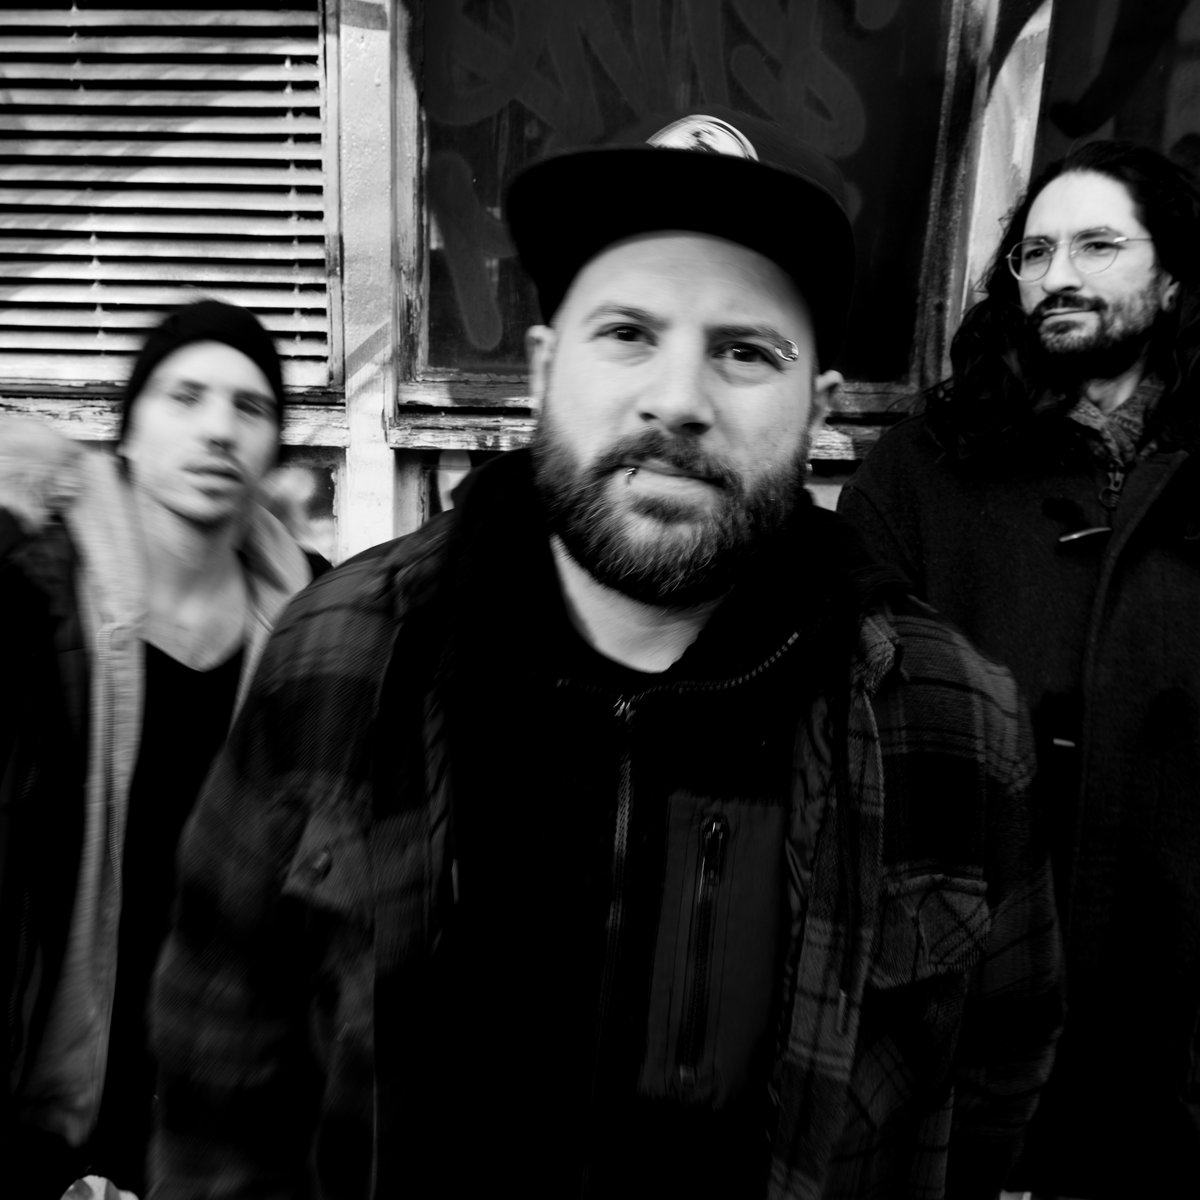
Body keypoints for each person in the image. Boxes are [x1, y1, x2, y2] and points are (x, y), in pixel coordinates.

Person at [149, 111, 1062, 1199]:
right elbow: (220, 1076)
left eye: (745, 351)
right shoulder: (340, 657)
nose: (677, 399)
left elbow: (989, 1091)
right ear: (544, 368)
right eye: (627, 332)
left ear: (818, 409)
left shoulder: (948, 719)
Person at [839, 140, 1200, 1198]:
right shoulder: (927, 464)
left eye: (1097, 246)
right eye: (1035, 253)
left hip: (1171, 1006)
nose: (1059, 275)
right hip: (968, 984)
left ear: (1174, 277)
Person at [0, 300, 325, 1199]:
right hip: (41, 1106)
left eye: (250, 408)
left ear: (273, 448)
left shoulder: (319, 632)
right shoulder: (30, 601)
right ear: (130, 431)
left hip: (224, 1118)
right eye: (185, 396)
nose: (218, 429)